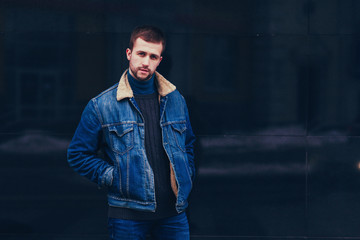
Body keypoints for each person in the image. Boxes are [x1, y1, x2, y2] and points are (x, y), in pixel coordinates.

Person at [67, 25, 196, 239]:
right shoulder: (102, 105)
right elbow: (78, 155)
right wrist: (113, 177)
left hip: (174, 215)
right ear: (129, 54)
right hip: (128, 218)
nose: (146, 62)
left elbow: (188, 145)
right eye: (141, 53)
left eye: (153, 56)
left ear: (160, 60)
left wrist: (186, 173)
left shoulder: (176, 100)